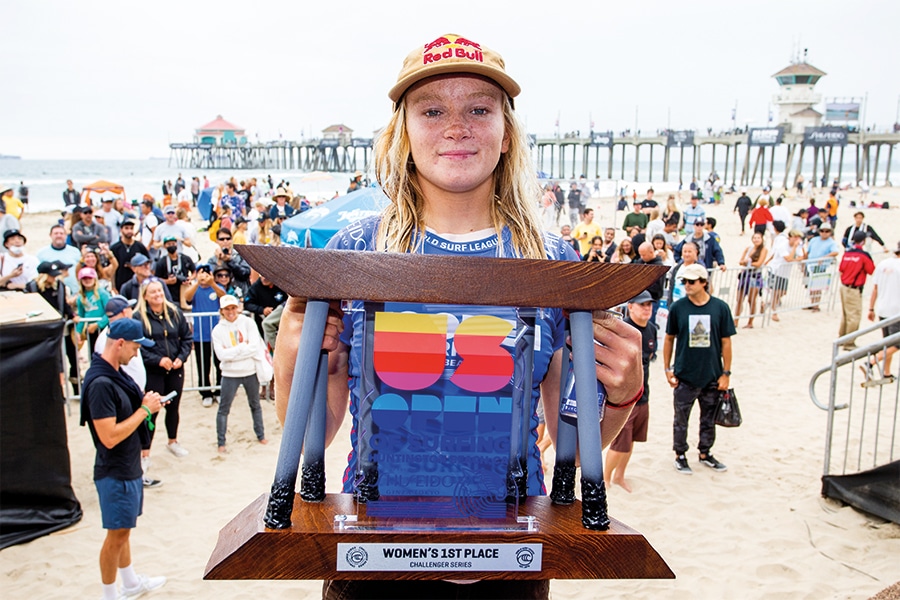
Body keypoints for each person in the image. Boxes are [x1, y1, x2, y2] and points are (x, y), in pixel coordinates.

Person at [273, 33, 643, 600]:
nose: (456, 126)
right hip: (374, 555)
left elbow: (572, 439)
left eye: (478, 108)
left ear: (505, 129)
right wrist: (292, 347)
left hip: (511, 557)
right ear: (403, 130)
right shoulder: (355, 253)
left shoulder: (552, 263)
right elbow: (309, 436)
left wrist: (621, 392)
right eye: (432, 110)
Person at [80, 319, 167, 600]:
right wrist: (144, 410)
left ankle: (130, 583)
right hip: (113, 470)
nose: (137, 353)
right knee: (115, 536)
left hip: (127, 466)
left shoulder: (115, 373)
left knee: (124, 532)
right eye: (135, 346)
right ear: (119, 344)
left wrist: (146, 402)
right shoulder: (101, 383)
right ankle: (109, 594)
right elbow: (108, 436)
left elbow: (127, 410)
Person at [664, 263, 735, 475]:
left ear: (704, 282)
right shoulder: (678, 308)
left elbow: (726, 342)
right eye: (684, 281)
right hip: (685, 375)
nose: (687, 285)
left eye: (692, 281)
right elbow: (669, 339)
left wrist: (726, 373)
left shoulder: (720, 308)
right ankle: (680, 454)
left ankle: (705, 453)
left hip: (712, 375)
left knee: (709, 418)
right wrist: (667, 369)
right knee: (681, 419)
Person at [605, 290, 657, 492]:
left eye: (649, 304)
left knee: (632, 440)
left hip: (644, 394)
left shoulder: (651, 329)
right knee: (619, 443)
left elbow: (648, 360)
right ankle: (605, 479)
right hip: (625, 398)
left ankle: (619, 476)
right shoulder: (623, 329)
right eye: (642, 304)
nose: (647, 308)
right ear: (630, 306)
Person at [136, 279, 193, 458]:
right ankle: (145, 452)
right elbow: (138, 347)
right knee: (151, 411)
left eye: (160, 291)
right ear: (145, 295)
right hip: (153, 371)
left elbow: (187, 338)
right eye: (153, 292)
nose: (158, 295)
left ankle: (173, 441)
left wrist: (181, 358)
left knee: (173, 408)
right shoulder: (139, 317)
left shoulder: (175, 312)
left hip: (175, 369)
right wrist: (158, 360)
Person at [211, 294, 267, 452]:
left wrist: (233, 352)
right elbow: (221, 355)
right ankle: (221, 442)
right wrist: (243, 347)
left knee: (255, 404)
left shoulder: (248, 322)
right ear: (222, 311)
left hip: (249, 371)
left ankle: (260, 435)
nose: (231, 312)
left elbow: (254, 347)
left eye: (233, 308)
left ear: (238, 308)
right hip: (229, 374)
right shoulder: (217, 330)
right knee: (224, 408)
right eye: (227, 309)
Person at [183, 263, 226, 408]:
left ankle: (220, 391)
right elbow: (186, 297)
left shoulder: (217, 287)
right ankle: (205, 392)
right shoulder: (195, 290)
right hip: (200, 335)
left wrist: (212, 283)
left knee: (219, 364)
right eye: (201, 272)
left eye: (207, 273)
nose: (204, 276)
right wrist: (197, 282)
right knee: (203, 365)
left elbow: (224, 297)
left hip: (218, 335)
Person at [864, 241, 900, 380]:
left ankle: (886, 373)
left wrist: (871, 308)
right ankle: (871, 362)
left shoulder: (883, 264)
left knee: (887, 342)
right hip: (896, 311)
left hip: (883, 308)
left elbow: (875, 288)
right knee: (897, 344)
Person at [838, 230, 875, 349]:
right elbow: (871, 270)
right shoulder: (864, 256)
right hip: (854, 288)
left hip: (844, 286)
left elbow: (841, 269)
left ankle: (842, 338)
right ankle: (849, 342)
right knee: (854, 316)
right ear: (863, 241)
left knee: (845, 314)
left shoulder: (847, 254)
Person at [765, 223, 804, 322]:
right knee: (775, 292)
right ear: (790, 237)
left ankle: (767, 304)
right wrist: (794, 250)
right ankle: (774, 312)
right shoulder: (783, 245)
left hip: (785, 272)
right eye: (795, 237)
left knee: (782, 292)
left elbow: (801, 257)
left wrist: (797, 252)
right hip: (776, 270)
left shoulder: (797, 245)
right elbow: (788, 258)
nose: (797, 240)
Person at [803, 221, 841, 310]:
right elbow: (808, 251)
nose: (824, 233)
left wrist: (824, 257)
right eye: (822, 231)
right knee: (810, 285)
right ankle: (812, 303)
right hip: (809, 265)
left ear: (830, 232)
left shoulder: (831, 242)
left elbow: (835, 252)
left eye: (827, 231)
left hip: (820, 267)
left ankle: (816, 304)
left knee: (817, 286)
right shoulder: (814, 240)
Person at [733, 232, 767, 328]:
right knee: (739, 299)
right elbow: (741, 261)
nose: (756, 239)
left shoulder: (763, 250)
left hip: (755, 275)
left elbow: (759, 263)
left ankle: (750, 322)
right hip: (745, 275)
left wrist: (748, 262)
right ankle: (736, 321)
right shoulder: (748, 249)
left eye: (758, 238)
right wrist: (746, 262)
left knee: (751, 300)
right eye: (754, 238)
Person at [37, 224, 82, 294]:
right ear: (50, 235)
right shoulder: (42, 253)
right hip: (52, 292)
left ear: (66, 236)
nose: (59, 236)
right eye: (56, 233)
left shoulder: (75, 251)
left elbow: (79, 269)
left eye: (61, 233)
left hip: (74, 291)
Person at [75, 267, 111, 352]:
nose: (87, 280)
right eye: (84, 278)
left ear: (95, 279)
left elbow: (110, 312)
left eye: (90, 278)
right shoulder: (80, 297)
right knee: (93, 352)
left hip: (104, 328)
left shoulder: (103, 293)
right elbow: (81, 315)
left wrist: (98, 324)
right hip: (90, 330)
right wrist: (78, 331)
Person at [110, 219, 150, 292]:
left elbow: (148, 265)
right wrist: (113, 287)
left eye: (131, 228)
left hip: (139, 286)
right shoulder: (115, 248)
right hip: (120, 285)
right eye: (126, 228)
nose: (129, 231)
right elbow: (112, 269)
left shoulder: (140, 247)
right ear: (121, 230)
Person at [154, 235, 196, 305]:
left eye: (173, 244)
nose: (171, 246)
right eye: (169, 244)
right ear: (164, 246)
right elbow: (156, 279)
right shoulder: (161, 262)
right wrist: (167, 281)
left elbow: (194, 271)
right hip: (169, 292)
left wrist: (190, 278)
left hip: (184, 289)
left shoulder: (185, 258)